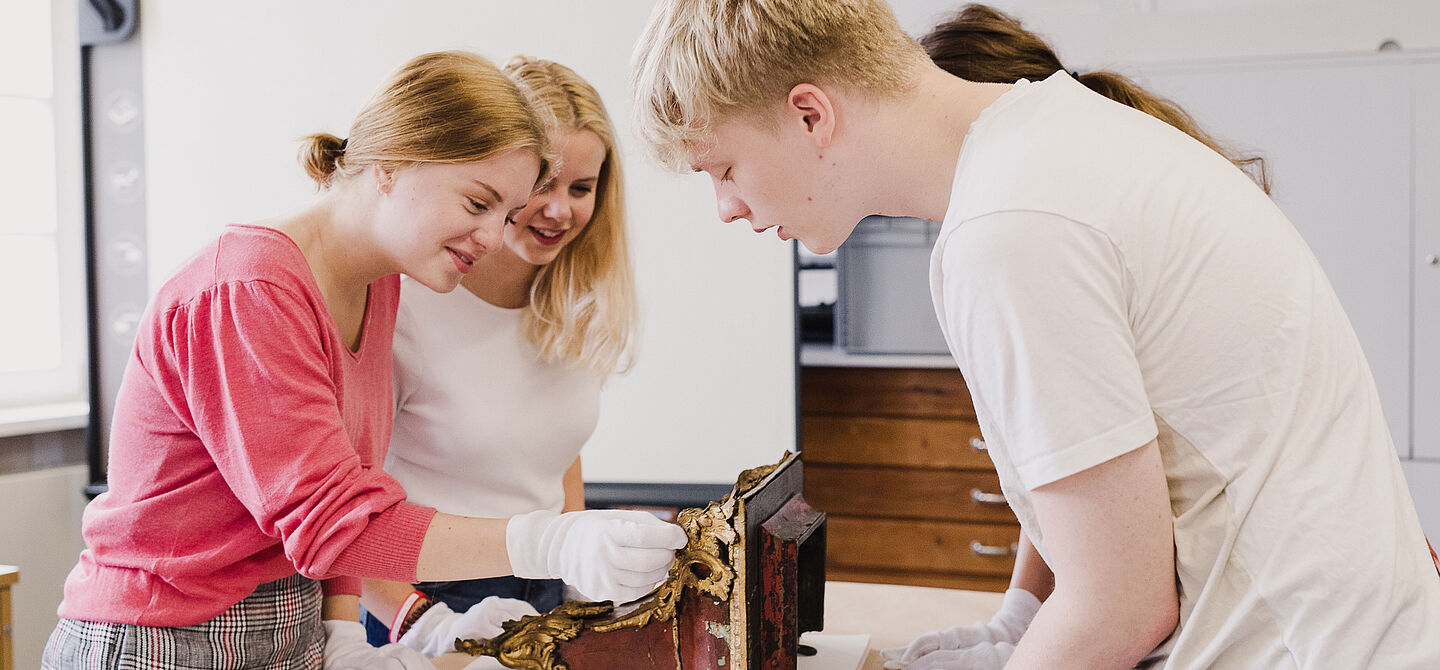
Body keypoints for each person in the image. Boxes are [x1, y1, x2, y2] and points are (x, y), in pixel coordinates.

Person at [630, 1, 1440, 668]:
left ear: (811, 114)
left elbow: (1120, 608)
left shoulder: (1011, 226)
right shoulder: (1049, 145)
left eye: (722, 169)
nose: (727, 208)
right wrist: (1020, 621)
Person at [42, 50, 685, 670]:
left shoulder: (378, 284)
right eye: (477, 202)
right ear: (392, 164)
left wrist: (340, 630)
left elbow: (352, 482)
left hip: (283, 627)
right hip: (165, 638)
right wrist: (548, 543)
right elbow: (332, 523)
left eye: (505, 212)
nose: (493, 237)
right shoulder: (249, 290)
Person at [357, 55, 639, 655]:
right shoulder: (404, 305)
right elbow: (346, 514)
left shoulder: (573, 304)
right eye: (542, 185)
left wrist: (580, 581)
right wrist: (423, 623)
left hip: (542, 590)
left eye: (581, 188)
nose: (560, 210)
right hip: (424, 600)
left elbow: (557, 457)